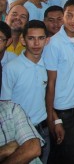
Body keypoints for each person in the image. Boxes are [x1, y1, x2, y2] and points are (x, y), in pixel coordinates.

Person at [43, 0, 74, 164]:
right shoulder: (54, 44)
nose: (73, 20)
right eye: (69, 15)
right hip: (63, 110)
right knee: (65, 157)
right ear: (63, 17)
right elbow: (50, 83)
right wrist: (53, 118)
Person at [1, 20, 49, 163]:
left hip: (43, 129)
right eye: (31, 38)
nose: (36, 43)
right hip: (19, 135)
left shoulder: (49, 64)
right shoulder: (11, 68)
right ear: (23, 40)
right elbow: (4, 103)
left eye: (41, 38)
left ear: (46, 40)